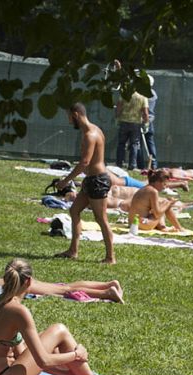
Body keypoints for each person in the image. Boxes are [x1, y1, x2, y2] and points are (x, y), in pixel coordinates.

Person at [0, 258, 129, 375]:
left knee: (48, 335)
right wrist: (76, 355)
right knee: (59, 330)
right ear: (29, 281)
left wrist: (66, 374)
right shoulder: (18, 311)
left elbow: (22, 355)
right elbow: (44, 361)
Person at [55, 102, 116, 264]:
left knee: (101, 218)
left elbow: (85, 162)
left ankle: (110, 257)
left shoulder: (91, 135)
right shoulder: (94, 130)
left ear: (75, 115)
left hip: (98, 181)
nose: (69, 121)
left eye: (69, 117)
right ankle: (73, 250)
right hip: (90, 180)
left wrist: (65, 181)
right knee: (74, 210)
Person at [115, 87, 149, 170]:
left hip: (124, 121)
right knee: (134, 144)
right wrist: (146, 123)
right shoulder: (143, 96)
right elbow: (145, 112)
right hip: (136, 123)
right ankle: (132, 164)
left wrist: (117, 118)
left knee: (121, 143)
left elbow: (119, 107)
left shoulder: (124, 94)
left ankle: (119, 163)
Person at [144, 74, 159, 169]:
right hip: (150, 120)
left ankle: (141, 163)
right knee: (150, 142)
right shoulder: (153, 93)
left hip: (144, 120)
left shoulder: (146, 93)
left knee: (139, 143)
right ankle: (153, 164)